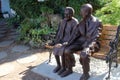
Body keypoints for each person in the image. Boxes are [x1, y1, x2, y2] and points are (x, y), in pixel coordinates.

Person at [63, 4, 102, 80]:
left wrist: (88, 47)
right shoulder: (82, 22)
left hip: (93, 44)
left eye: (82, 12)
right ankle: (69, 69)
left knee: (84, 54)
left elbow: (96, 37)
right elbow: (75, 34)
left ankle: (86, 73)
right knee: (67, 50)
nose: (81, 13)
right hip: (81, 43)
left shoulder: (97, 22)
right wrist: (68, 43)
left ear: (87, 12)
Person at [49, 7, 78, 77]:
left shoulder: (75, 22)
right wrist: (55, 42)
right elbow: (59, 32)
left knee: (63, 50)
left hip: (70, 42)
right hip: (62, 40)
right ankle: (60, 66)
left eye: (68, 14)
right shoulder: (63, 21)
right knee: (55, 48)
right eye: (65, 14)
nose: (66, 16)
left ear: (72, 14)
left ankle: (68, 69)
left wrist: (67, 43)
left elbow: (75, 35)